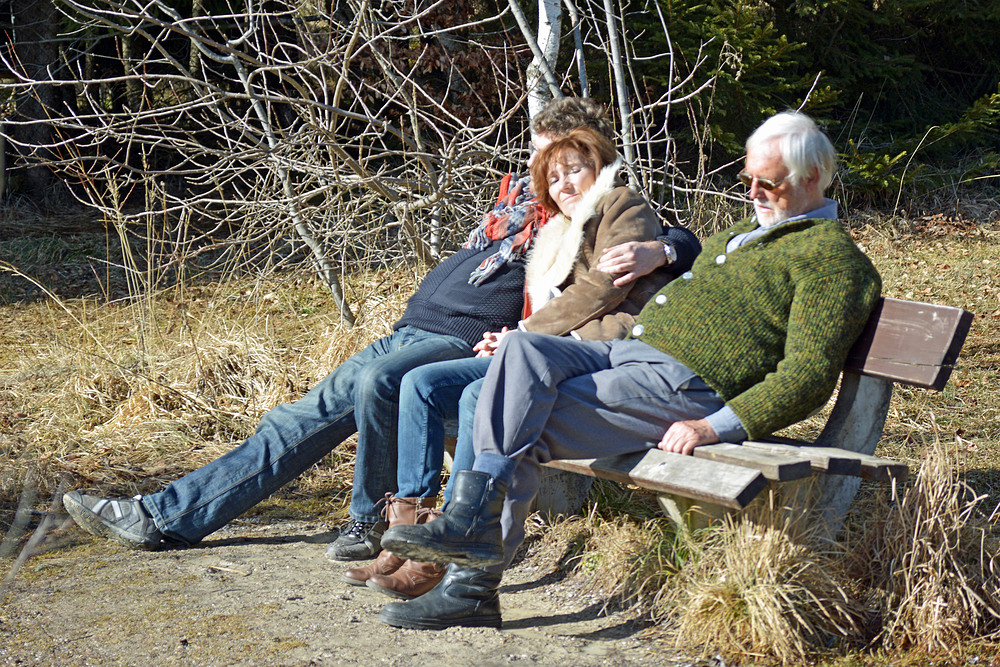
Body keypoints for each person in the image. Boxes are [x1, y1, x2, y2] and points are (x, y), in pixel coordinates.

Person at [60, 97, 691, 556]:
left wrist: (666, 249)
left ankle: (369, 522)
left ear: (596, 154)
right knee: (297, 419)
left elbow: (646, 245)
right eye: (542, 150)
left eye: (567, 152)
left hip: (458, 342)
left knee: (369, 391)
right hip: (415, 327)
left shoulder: (590, 212)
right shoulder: (517, 205)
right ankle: (166, 514)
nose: (551, 165)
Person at [377, 110, 884, 630]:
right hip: (624, 356)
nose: (752, 192)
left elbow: (808, 375)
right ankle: (470, 525)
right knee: (520, 352)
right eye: (747, 179)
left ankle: (471, 582)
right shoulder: (739, 235)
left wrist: (713, 426)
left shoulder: (831, 260)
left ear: (813, 178)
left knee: (520, 422)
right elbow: (676, 250)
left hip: (683, 386)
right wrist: (664, 248)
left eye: (768, 182)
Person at [345, 127, 699, 595]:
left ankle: (454, 537)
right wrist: (506, 337)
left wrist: (523, 334)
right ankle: (413, 533)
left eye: (575, 170)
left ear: (600, 169)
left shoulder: (620, 204)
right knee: (420, 384)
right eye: (554, 178)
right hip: (536, 348)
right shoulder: (552, 230)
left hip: (593, 348)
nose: (566, 184)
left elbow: (603, 286)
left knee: (477, 394)